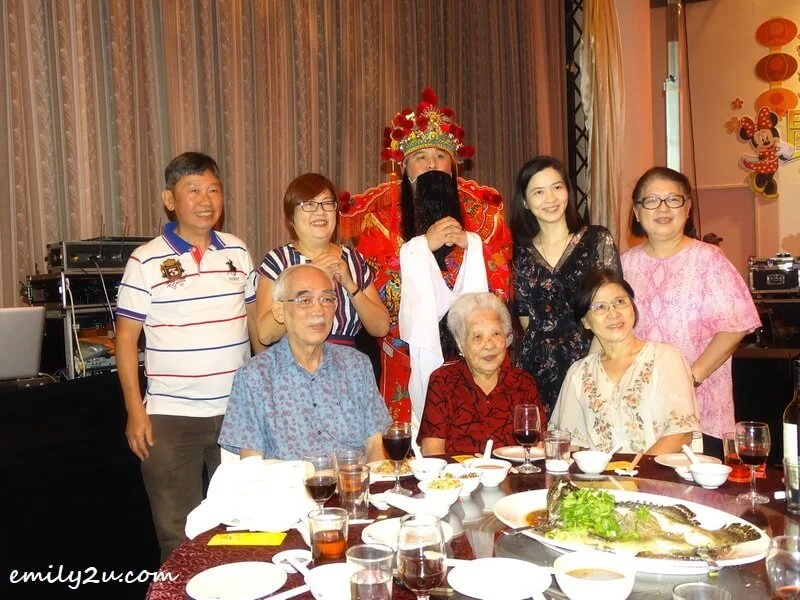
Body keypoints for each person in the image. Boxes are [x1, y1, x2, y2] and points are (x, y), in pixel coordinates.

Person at [339, 87, 511, 425]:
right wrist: (419, 251)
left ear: (453, 167)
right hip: (406, 361)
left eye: (439, 156)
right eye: (421, 157)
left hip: (476, 358)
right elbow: (379, 306)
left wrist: (472, 248)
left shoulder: (483, 218)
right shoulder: (379, 221)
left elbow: (502, 293)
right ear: (405, 169)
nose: (431, 163)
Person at [115, 151, 256, 561]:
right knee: (178, 536)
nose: (206, 200)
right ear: (170, 199)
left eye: (213, 189)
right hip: (171, 418)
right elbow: (126, 340)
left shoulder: (237, 251)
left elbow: (255, 325)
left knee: (242, 527)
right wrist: (134, 410)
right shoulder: (145, 260)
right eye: (193, 190)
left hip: (238, 415)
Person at [620, 167, 760, 458]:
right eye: (651, 200)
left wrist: (689, 378)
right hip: (640, 408)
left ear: (687, 209)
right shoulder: (624, 265)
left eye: (673, 199)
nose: (662, 208)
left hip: (700, 406)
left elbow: (734, 327)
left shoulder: (709, 260)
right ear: (636, 211)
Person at [218, 264, 390, 461]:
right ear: (280, 311)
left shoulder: (356, 366)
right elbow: (251, 464)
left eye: (327, 299)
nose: (319, 310)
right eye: (305, 300)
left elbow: (376, 445)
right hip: (288, 489)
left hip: (352, 487)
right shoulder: (255, 376)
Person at [510, 156, 621, 415]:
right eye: (538, 192)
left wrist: (587, 368)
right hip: (535, 369)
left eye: (557, 187)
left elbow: (612, 307)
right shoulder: (519, 253)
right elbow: (526, 320)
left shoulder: (596, 240)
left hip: (592, 358)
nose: (550, 198)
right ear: (525, 202)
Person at [550, 269, 700, 454]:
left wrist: (636, 475)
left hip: (659, 479)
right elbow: (566, 442)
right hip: (601, 480)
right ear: (585, 322)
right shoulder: (579, 373)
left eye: (620, 302)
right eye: (600, 307)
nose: (613, 313)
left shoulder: (666, 359)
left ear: (633, 309)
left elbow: (681, 434)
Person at [254, 173, 389, 361]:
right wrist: (311, 277)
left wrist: (350, 285)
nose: (320, 212)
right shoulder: (278, 261)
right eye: (309, 204)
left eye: (327, 203)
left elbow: (381, 327)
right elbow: (265, 334)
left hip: (345, 366)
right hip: (295, 365)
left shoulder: (353, 259)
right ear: (291, 217)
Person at [418, 293, 545, 455]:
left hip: (514, 478)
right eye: (478, 336)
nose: (489, 345)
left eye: (496, 334)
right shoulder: (443, 382)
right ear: (460, 344)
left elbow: (538, 448)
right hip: (459, 478)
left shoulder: (523, 383)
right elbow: (432, 451)